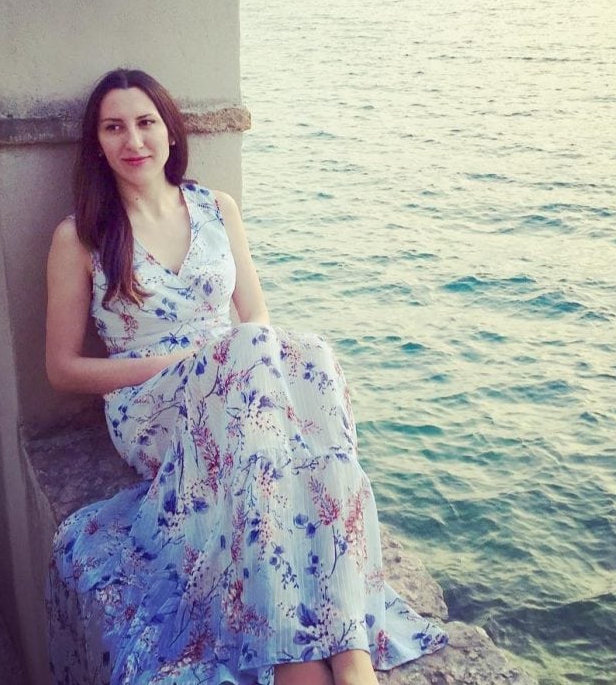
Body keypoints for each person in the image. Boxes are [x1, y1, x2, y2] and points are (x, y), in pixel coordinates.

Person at [46, 68, 447, 685]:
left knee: (307, 353)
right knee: (267, 369)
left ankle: (346, 649)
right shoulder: (82, 236)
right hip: (153, 403)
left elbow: (254, 314)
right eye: (114, 126)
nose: (134, 139)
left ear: (170, 131)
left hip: (239, 382)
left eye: (146, 121)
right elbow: (62, 369)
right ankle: (301, 658)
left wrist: (239, 361)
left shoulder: (215, 207)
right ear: (97, 142)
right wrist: (191, 364)